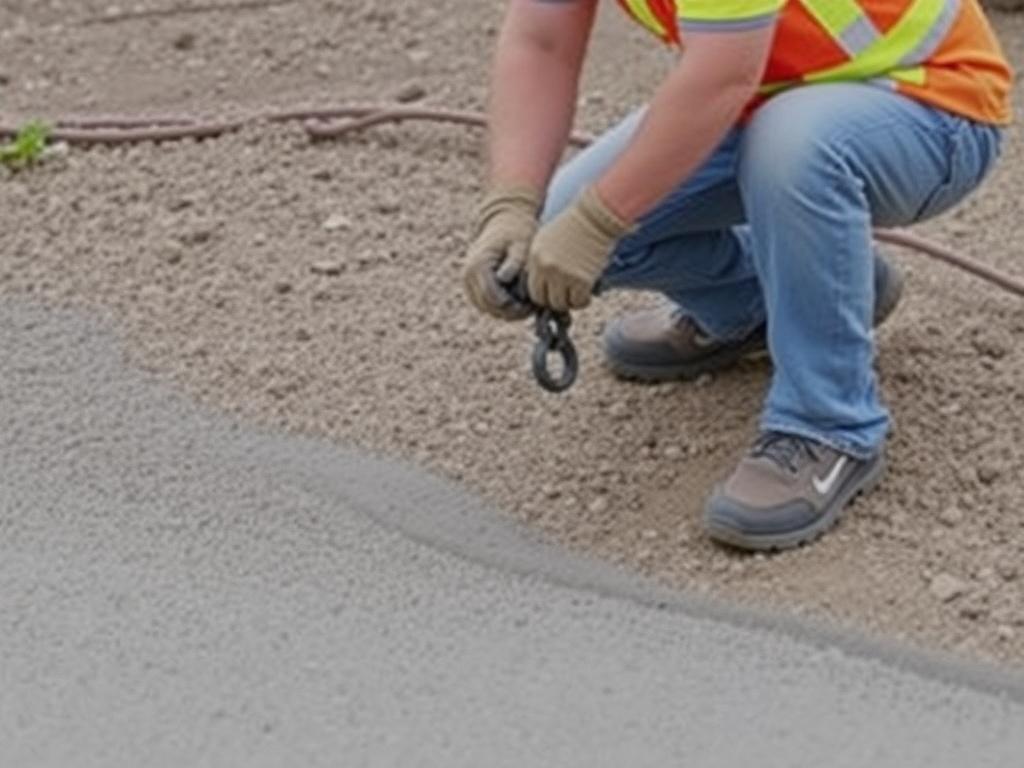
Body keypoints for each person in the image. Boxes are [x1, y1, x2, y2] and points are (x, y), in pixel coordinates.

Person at [462, 0, 1012, 551]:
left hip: (928, 99)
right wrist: (512, 205)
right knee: (551, 228)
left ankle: (829, 424)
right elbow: (542, 41)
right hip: (759, 95)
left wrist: (598, 223)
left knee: (792, 145)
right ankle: (807, 294)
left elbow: (721, 75)